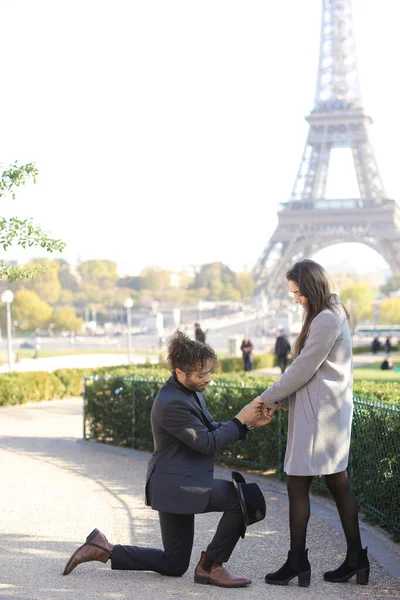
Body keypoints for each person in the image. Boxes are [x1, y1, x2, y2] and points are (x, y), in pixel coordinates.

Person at [63, 331, 272, 587]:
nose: (208, 379)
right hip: (178, 485)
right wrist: (240, 419)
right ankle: (211, 566)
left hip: (174, 482)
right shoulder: (171, 402)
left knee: (174, 564)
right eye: (201, 375)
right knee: (244, 499)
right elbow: (207, 443)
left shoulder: (188, 391)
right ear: (179, 372)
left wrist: (247, 425)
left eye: (208, 372)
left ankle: (103, 549)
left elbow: (209, 429)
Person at [258, 259, 369, 587]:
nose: (296, 298)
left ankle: (297, 562)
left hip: (317, 417)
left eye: (298, 292)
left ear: (311, 287)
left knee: (298, 483)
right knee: (337, 483)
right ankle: (355, 559)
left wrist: (266, 398)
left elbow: (302, 369)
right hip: (328, 415)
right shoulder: (334, 312)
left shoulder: (324, 320)